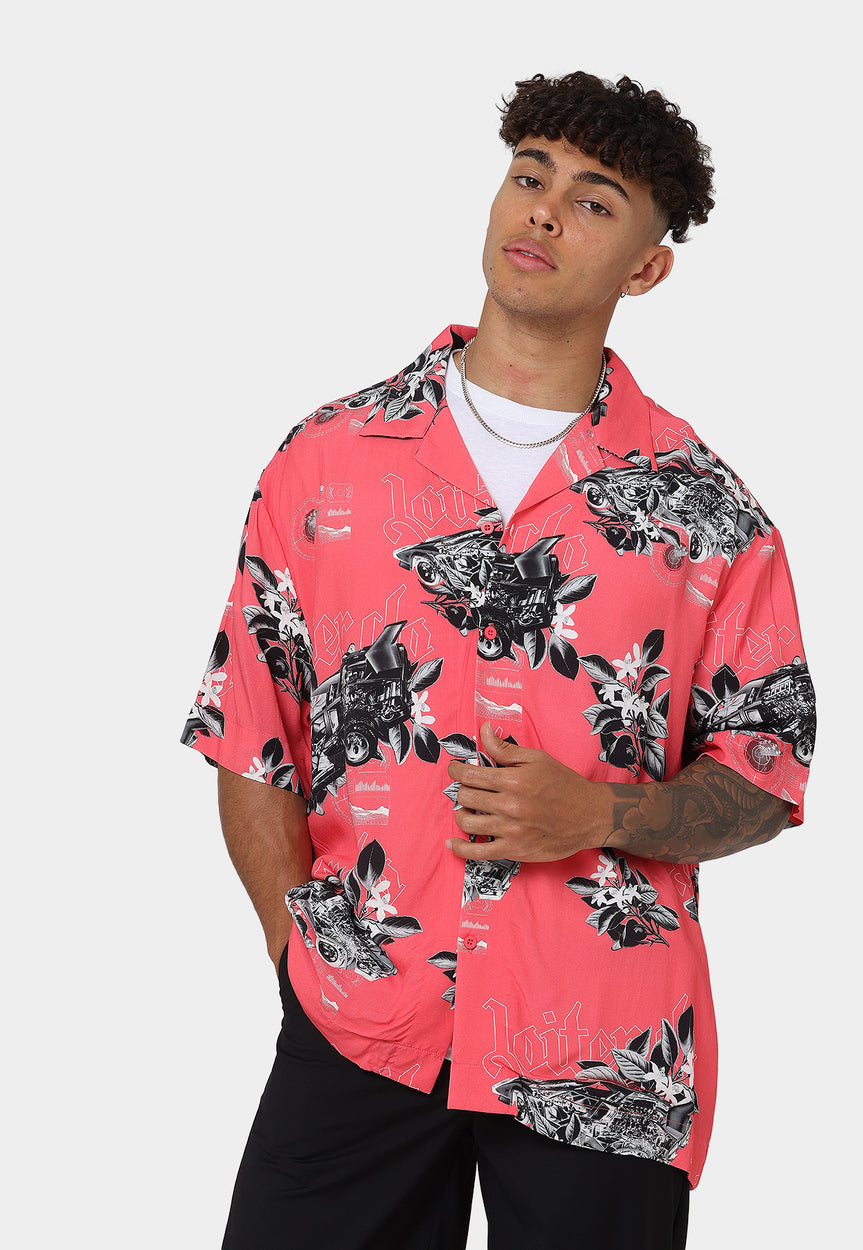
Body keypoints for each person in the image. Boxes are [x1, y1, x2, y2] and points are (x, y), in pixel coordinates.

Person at [182, 70, 816, 1250]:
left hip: (604, 1050)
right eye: (530, 176)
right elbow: (250, 726)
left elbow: (764, 775)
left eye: (593, 200)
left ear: (645, 266)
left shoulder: (706, 512)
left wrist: (603, 812)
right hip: (359, 1023)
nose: (543, 211)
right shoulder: (326, 460)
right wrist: (300, 955)